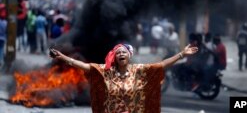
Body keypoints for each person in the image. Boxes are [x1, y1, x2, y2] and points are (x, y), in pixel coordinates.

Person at [50, 43, 198, 113]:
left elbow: (161, 65)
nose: (121, 54)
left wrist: (181, 55)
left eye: (124, 52)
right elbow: (84, 66)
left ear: (129, 55)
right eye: (118, 52)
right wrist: (63, 57)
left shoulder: (138, 71)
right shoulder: (106, 71)